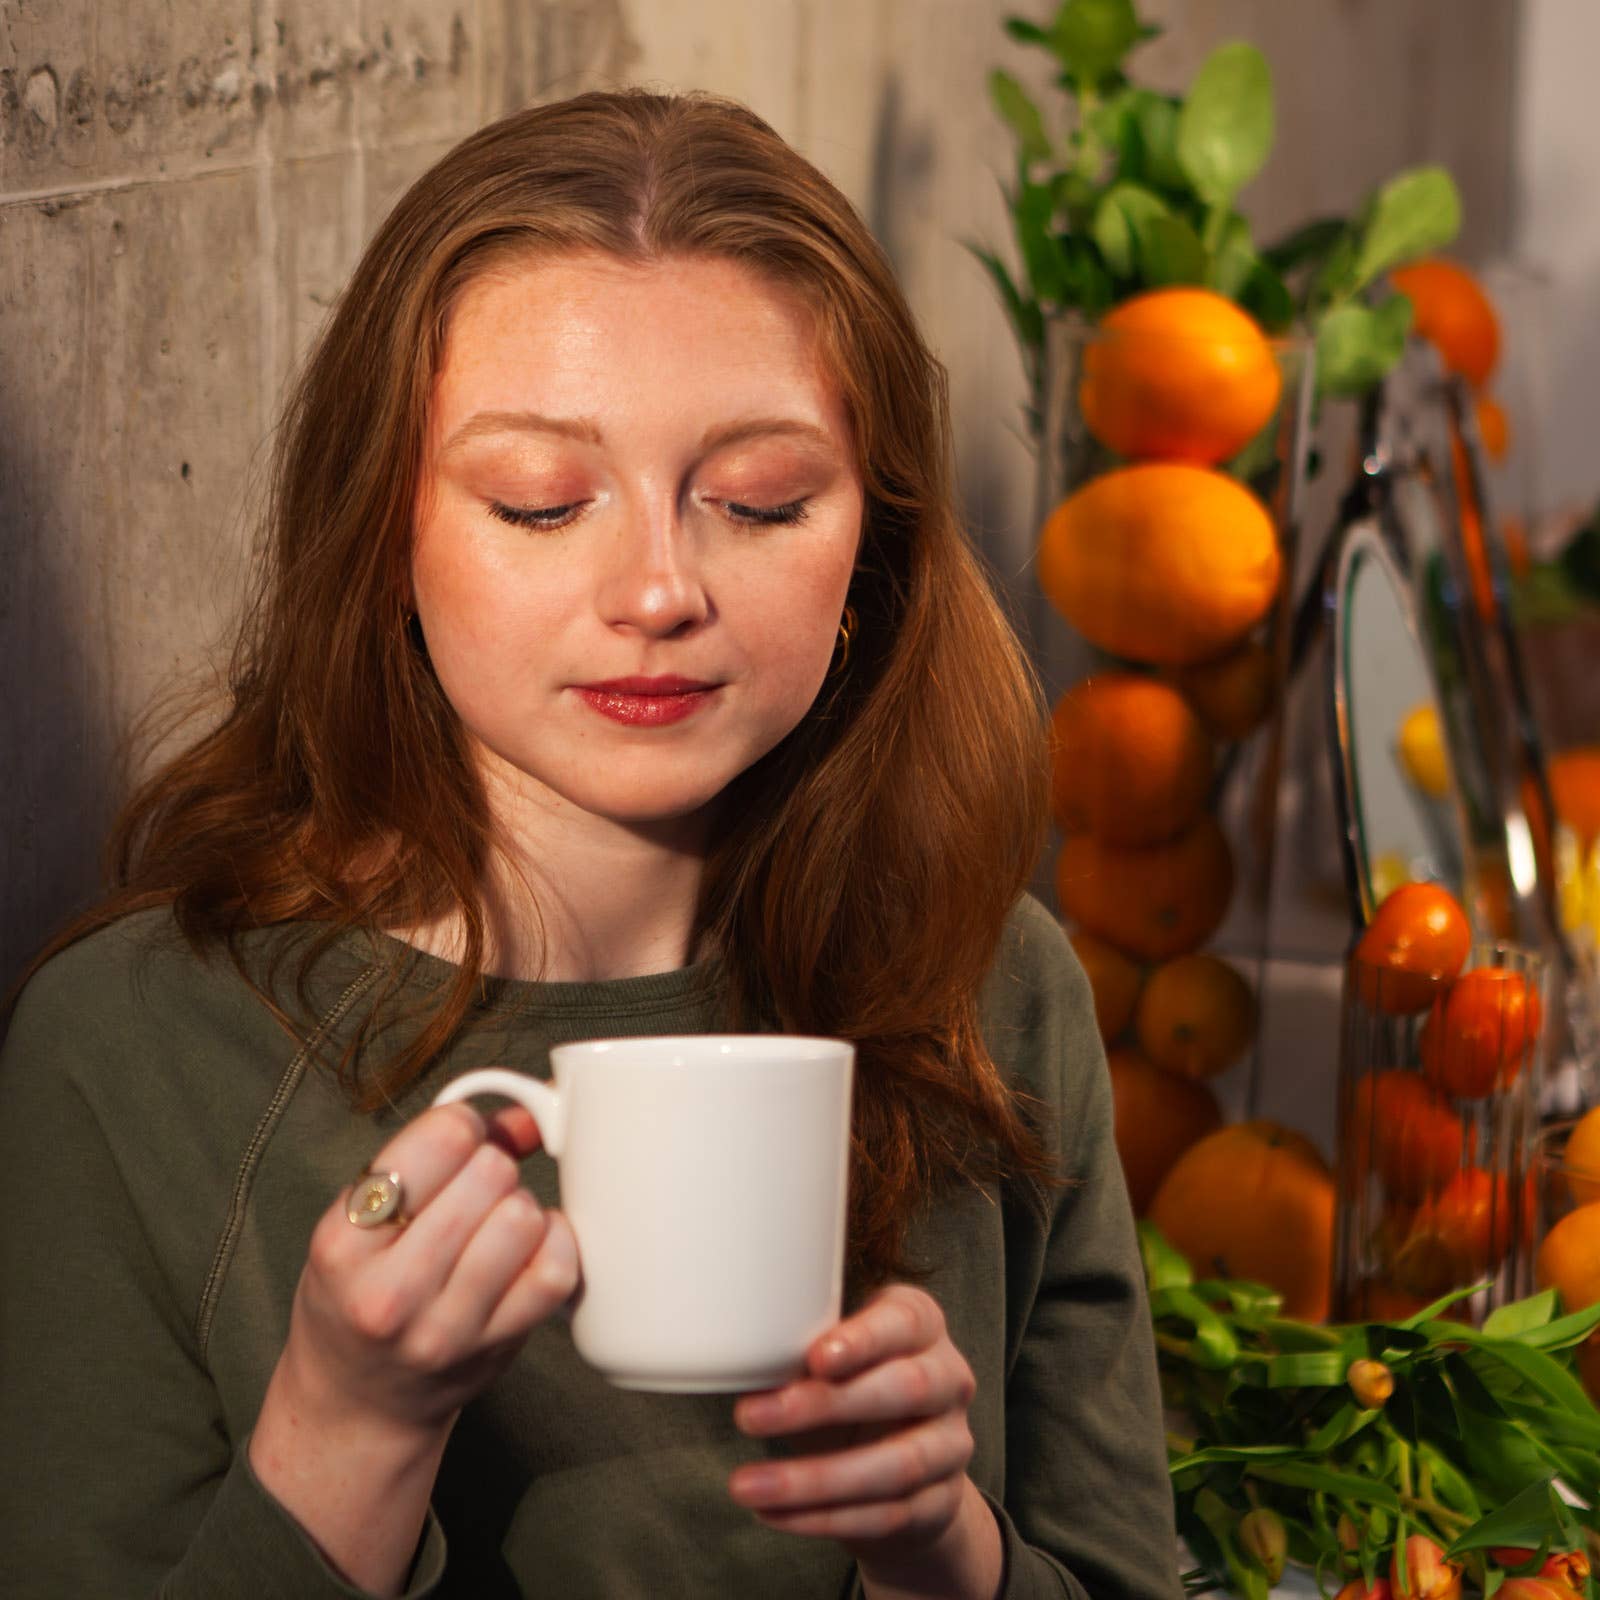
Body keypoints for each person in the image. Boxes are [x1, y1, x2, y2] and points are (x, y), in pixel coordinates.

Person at [0, 88, 1181, 1600]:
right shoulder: (135, 1047)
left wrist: (939, 1547)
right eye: (542, 503)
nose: (657, 589)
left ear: (867, 551)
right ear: (387, 536)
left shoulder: (987, 984)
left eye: (758, 502)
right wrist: (341, 1437)